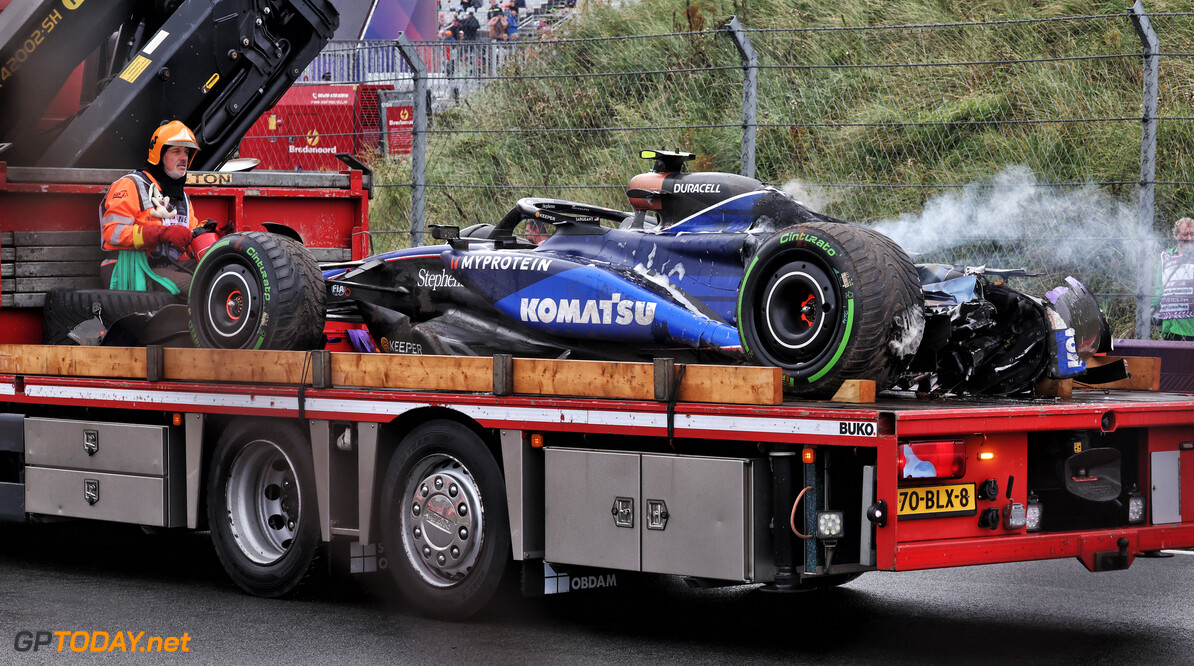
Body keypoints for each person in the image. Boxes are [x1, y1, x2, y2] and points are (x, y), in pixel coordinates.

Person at [99, 121, 229, 295]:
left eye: (186, 152)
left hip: (165, 266)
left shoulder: (182, 197)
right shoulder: (130, 185)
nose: (183, 157)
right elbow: (112, 233)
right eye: (176, 151)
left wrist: (215, 238)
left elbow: (189, 239)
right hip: (130, 267)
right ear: (158, 155)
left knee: (224, 272)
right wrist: (161, 234)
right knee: (202, 285)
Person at [1151, 217, 1194, 341]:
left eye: (1193, 234)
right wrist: (1154, 306)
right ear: (1175, 235)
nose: (1190, 238)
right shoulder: (1166, 257)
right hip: (1171, 325)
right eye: (1185, 234)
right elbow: (1160, 286)